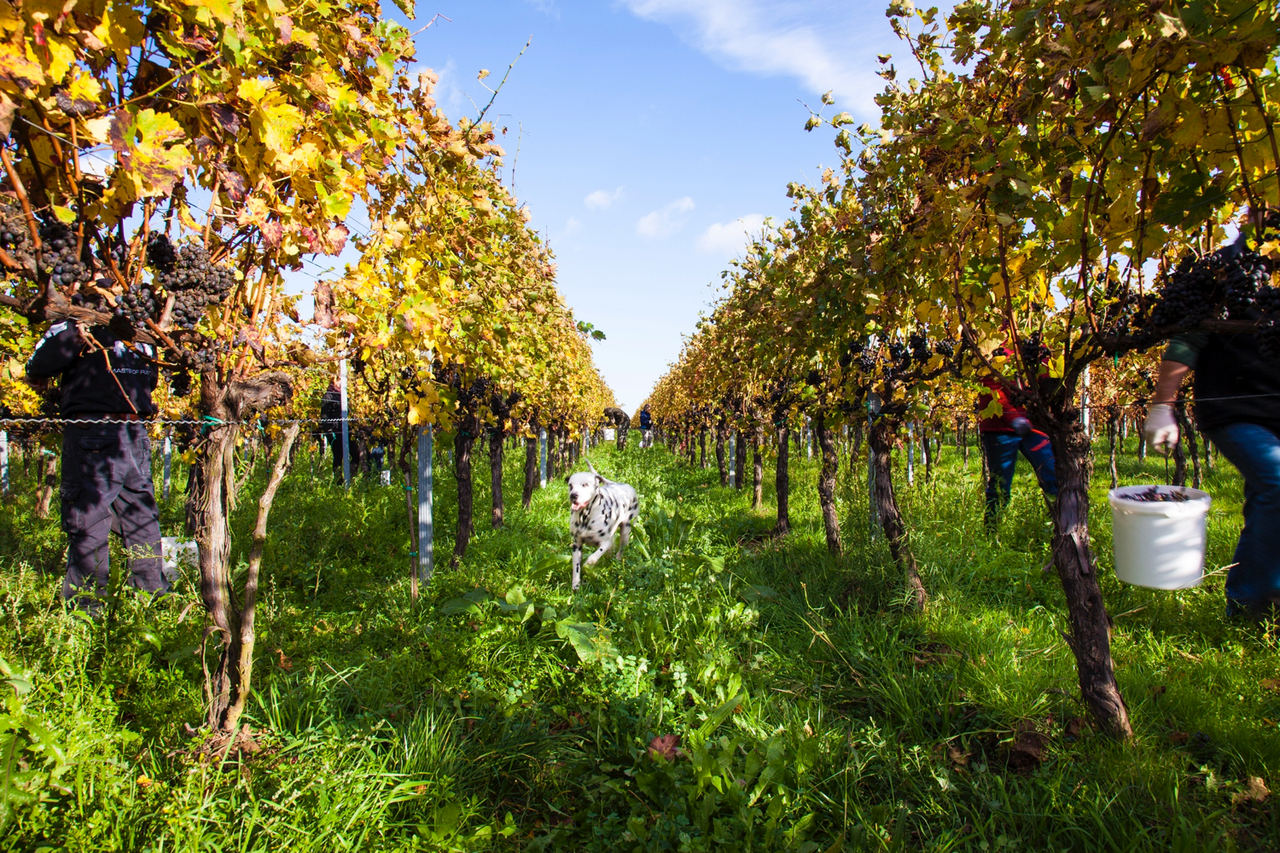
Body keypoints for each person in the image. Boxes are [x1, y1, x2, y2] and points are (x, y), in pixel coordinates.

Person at [1145, 218, 1280, 619]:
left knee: (1267, 498)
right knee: (1277, 485)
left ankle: (1252, 604)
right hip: (1234, 408)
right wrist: (1162, 405)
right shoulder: (1226, 269)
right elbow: (1186, 339)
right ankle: (1251, 602)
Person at [26, 320, 168, 611]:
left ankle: (86, 609)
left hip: (92, 431)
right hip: (135, 431)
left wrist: (71, 337)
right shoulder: (140, 324)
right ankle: (153, 600)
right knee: (140, 517)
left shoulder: (77, 322)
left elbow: (38, 368)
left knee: (88, 517)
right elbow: (151, 380)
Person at [977, 357, 1058, 528]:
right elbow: (989, 388)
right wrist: (1012, 417)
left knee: (1053, 474)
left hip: (1035, 425)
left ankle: (1059, 527)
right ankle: (992, 534)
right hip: (999, 428)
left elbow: (1047, 381)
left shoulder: (1038, 347)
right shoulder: (994, 345)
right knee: (1000, 486)